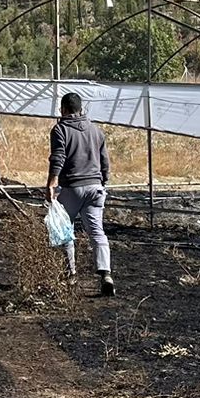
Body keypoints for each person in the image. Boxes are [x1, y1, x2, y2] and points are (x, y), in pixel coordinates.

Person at [47, 91, 114, 295]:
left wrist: (52, 182)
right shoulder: (96, 130)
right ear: (81, 108)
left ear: (64, 109)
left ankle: (71, 275)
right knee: (97, 232)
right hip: (96, 188)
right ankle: (106, 274)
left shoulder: (60, 130)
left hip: (73, 187)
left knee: (65, 230)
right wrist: (105, 181)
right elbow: (105, 161)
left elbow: (58, 156)